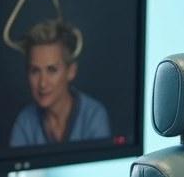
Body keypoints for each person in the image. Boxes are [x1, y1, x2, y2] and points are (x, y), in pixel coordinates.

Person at [8, 18, 111, 147]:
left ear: (71, 71)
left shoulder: (93, 116)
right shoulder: (25, 123)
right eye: (34, 71)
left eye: (52, 70)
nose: (42, 83)